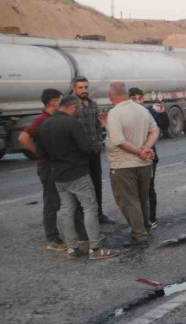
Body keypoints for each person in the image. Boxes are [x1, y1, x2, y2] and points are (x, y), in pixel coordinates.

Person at [35, 95, 117, 260]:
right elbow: (86, 148)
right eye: (78, 108)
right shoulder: (73, 124)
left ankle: (72, 248)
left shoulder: (45, 124)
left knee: (66, 210)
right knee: (89, 208)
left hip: (58, 174)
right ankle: (94, 249)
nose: (79, 111)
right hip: (77, 172)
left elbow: (41, 153)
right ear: (72, 107)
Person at [19, 89, 89, 251]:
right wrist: (41, 154)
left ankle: (82, 235)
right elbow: (23, 138)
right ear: (53, 103)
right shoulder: (42, 119)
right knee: (53, 202)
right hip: (48, 166)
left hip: (60, 166)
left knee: (72, 199)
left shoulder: (54, 119)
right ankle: (52, 238)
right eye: (60, 100)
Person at [105, 82, 159, 245]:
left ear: (110, 96)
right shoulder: (141, 109)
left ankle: (140, 234)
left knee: (129, 201)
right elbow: (155, 129)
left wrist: (139, 151)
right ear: (127, 95)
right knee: (142, 198)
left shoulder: (114, 114)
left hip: (123, 166)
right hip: (143, 164)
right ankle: (146, 227)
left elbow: (118, 141)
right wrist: (147, 148)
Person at [71, 77, 116, 225]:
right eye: (80, 87)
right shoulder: (71, 106)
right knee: (81, 186)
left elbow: (97, 126)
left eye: (85, 87)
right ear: (74, 89)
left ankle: (98, 214)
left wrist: (99, 142)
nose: (84, 90)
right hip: (78, 154)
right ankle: (82, 218)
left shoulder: (92, 104)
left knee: (97, 183)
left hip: (94, 152)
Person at [128, 88, 169, 229]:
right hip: (130, 160)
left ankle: (152, 218)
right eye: (134, 98)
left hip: (149, 159)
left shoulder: (150, 112)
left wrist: (162, 114)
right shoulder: (124, 114)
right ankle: (138, 220)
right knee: (133, 191)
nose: (138, 101)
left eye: (140, 98)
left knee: (149, 189)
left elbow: (164, 125)